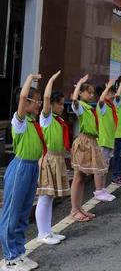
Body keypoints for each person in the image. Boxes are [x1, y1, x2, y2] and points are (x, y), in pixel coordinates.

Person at [0, 74, 44, 271]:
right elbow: (22, 97)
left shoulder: (33, 122)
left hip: (31, 168)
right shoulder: (20, 121)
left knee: (24, 212)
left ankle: (18, 251)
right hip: (20, 169)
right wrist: (30, 78)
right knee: (12, 212)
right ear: (27, 102)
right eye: (37, 100)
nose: (40, 104)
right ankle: (9, 258)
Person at [35, 70, 70, 245]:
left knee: (50, 196)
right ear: (53, 105)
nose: (62, 107)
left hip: (57, 158)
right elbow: (46, 98)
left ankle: (47, 230)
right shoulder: (46, 118)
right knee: (45, 195)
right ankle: (42, 233)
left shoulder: (58, 120)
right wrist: (51, 80)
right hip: (48, 158)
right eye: (60, 104)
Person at [70, 75, 108, 222]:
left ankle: (79, 207)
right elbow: (73, 101)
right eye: (88, 92)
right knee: (78, 176)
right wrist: (79, 83)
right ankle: (74, 209)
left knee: (82, 177)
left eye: (93, 93)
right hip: (84, 142)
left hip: (91, 141)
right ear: (81, 93)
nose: (91, 95)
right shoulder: (80, 107)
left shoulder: (89, 108)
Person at [93, 80, 120, 202]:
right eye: (110, 92)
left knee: (105, 166)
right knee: (100, 167)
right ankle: (98, 191)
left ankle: (103, 189)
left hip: (109, 140)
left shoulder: (110, 106)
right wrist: (107, 87)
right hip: (103, 141)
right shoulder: (102, 106)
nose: (113, 95)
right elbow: (101, 100)